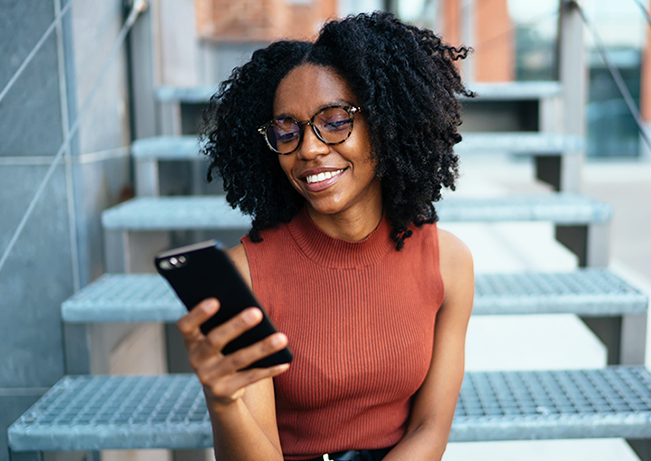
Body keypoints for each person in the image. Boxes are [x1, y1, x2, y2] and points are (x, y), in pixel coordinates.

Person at [177, 11, 474, 461]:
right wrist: (224, 401)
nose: (309, 149)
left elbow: (430, 428)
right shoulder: (245, 276)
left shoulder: (447, 262)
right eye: (286, 130)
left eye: (335, 121)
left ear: (385, 121)